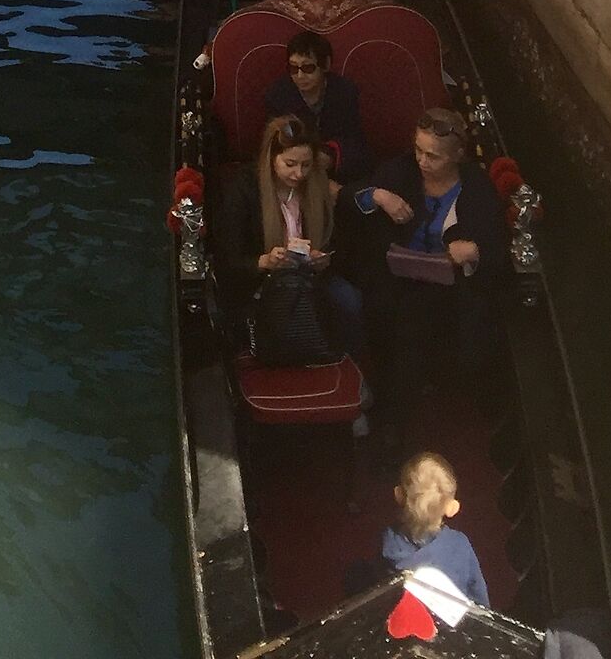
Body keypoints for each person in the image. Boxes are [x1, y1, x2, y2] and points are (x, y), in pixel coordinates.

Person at [355, 108, 505, 433]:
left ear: (456, 157)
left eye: (433, 157)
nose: (422, 162)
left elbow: (496, 248)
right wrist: (378, 196)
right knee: (382, 305)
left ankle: (395, 416)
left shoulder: (476, 189)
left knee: (415, 321)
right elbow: (356, 198)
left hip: (446, 286)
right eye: (419, 151)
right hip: (396, 273)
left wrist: (473, 250)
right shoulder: (402, 171)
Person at [215, 116, 366, 392]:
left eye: (306, 165)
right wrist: (264, 261)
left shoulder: (317, 187)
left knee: (351, 301)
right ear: (272, 158)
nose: (299, 174)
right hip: (262, 282)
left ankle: (351, 376)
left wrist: (325, 259)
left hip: (311, 278)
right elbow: (228, 259)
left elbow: (341, 244)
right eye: (290, 164)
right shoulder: (244, 188)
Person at [380, 451, 490, 607]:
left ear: (398, 495)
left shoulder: (388, 540)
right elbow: (479, 597)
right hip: (453, 627)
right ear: (452, 508)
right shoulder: (460, 544)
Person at [265, 29, 372, 181]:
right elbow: (277, 143)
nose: (300, 76)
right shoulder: (278, 95)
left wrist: (331, 156)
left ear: (326, 65)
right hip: (295, 172)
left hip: (337, 171)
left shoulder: (345, 92)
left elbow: (355, 141)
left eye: (308, 68)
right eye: (294, 69)